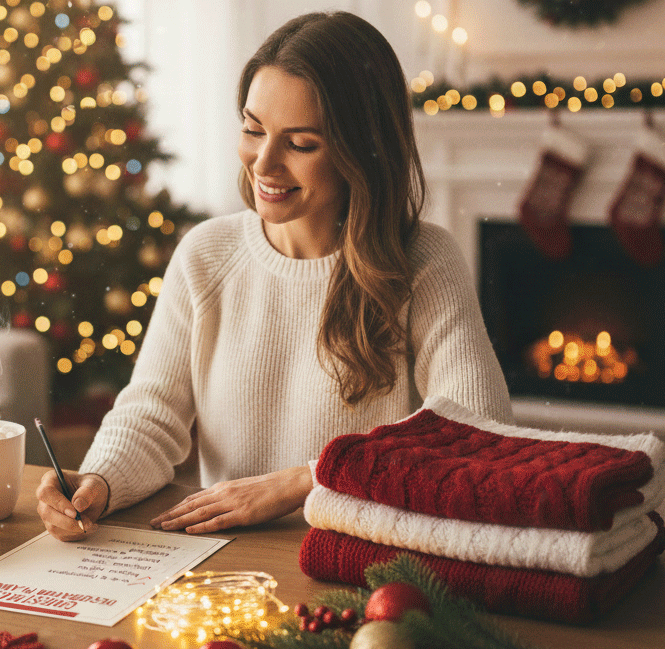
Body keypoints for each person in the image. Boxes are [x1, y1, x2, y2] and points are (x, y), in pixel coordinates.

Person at [36, 11, 512, 541]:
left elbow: (477, 429)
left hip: (362, 559)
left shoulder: (424, 259)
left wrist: (301, 483)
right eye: (252, 129)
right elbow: (152, 414)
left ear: (364, 150)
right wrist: (98, 480)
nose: (263, 163)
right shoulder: (205, 255)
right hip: (225, 563)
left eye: (301, 143)